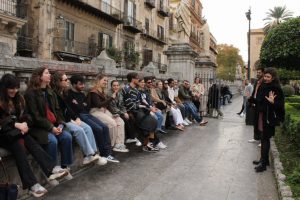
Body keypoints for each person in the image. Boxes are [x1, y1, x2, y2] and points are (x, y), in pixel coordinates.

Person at [0, 74, 67, 197]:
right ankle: (32, 185)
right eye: (11, 88)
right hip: (4, 134)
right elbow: (2, 121)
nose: (14, 91)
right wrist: (16, 124)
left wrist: (25, 123)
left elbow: (27, 115)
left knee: (30, 140)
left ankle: (51, 168)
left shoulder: (18, 99)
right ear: (4, 88)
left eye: (16, 88)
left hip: (18, 132)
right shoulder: (1, 101)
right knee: (18, 147)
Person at [24, 67, 74, 179]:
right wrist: (51, 127)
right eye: (47, 73)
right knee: (52, 140)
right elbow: (35, 116)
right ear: (39, 76)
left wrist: (60, 124)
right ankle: (51, 171)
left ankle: (64, 167)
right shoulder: (31, 93)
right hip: (38, 127)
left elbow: (57, 111)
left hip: (53, 125)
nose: (50, 75)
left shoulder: (50, 91)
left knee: (66, 136)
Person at [50, 71, 100, 165]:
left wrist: (76, 117)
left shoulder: (64, 92)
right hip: (63, 122)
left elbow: (69, 108)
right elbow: (58, 112)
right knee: (79, 130)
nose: (67, 81)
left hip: (70, 119)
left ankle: (92, 154)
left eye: (67, 79)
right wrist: (70, 121)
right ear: (58, 82)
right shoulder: (54, 94)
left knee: (88, 128)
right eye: (65, 80)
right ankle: (89, 154)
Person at [66, 74, 117, 163]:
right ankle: (103, 154)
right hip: (79, 116)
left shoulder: (82, 94)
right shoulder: (69, 94)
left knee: (104, 127)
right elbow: (72, 109)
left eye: (83, 84)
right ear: (73, 84)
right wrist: (77, 114)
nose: (83, 86)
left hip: (86, 114)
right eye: (80, 84)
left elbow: (86, 106)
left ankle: (108, 153)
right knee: (98, 129)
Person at [252, 68, 285, 172]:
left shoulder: (276, 88)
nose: (265, 78)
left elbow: (280, 105)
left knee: (265, 139)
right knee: (263, 138)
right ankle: (264, 160)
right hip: (262, 115)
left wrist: (272, 102)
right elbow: (260, 100)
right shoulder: (263, 85)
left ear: (273, 78)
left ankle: (263, 164)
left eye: (268, 77)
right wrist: (253, 101)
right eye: (265, 76)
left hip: (269, 118)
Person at [87, 74, 128, 153]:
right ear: (98, 81)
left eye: (106, 80)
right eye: (104, 80)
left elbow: (107, 105)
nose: (106, 82)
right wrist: (111, 98)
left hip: (104, 110)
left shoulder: (103, 91)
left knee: (120, 121)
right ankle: (111, 145)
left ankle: (119, 144)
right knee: (112, 123)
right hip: (95, 111)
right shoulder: (94, 91)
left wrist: (113, 113)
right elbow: (98, 105)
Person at [121, 73, 159, 152]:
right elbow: (130, 105)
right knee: (149, 123)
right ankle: (146, 145)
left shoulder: (135, 89)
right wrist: (143, 107)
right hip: (132, 111)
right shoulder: (126, 89)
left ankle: (150, 143)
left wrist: (150, 107)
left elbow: (141, 101)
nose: (139, 80)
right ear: (133, 79)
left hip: (139, 110)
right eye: (137, 78)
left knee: (153, 121)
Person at [108, 80, 142, 147]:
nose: (116, 87)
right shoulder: (109, 94)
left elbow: (122, 105)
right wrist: (122, 113)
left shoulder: (119, 93)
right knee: (125, 119)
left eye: (117, 85)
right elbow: (112, 107)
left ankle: (131, 137)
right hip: (113, 112)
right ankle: (130, 137)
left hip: (120, 111)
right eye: (114, 85)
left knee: (131, 117)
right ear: (111, 86)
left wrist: (125, 112)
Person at [137, 78, 167, 149]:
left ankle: (155, 141)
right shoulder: (137, 92)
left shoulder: (145, 91)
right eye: (141, 82)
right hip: (142, 111)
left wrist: (152, 106)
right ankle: (154, 142)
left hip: (148, 109)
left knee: (158, 115)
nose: (143, 84)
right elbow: (140, 103)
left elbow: (149, 100)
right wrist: (150, 108)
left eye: (143, 82)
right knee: (154, 119)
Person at [248, 67, 264, 143]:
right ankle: (256, 138)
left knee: (261, 122)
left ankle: (262, 140)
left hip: (260, 104)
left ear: (263, 73)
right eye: (257, 72)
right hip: (255, 103)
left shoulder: (264, 82)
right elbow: (255, 92)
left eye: (259, 72)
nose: (258, 74)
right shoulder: (257, 81)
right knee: (255, 122)